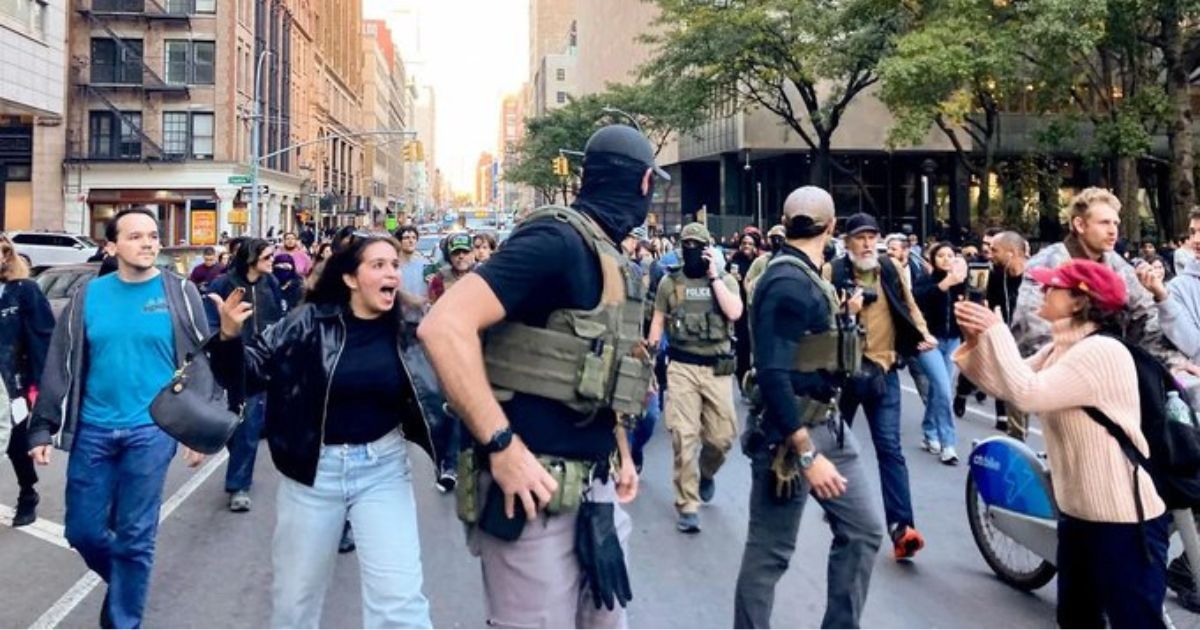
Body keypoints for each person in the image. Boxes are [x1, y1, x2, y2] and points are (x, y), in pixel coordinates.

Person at [418, 124, 654, 628]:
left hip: (595, 489)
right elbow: (443, 326)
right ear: (645, 184)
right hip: (530, 495)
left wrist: (622, 454)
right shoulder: (556, 240)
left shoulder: (610, 258)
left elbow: (601, 368)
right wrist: (501, 446)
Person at [208, 232, 435, 628]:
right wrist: (228, 337)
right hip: (314, 473)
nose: (392, 274)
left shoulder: (413, 325)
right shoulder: (306, 323)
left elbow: (452, 385)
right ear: (350, 278)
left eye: (395, 265)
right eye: (378, 265)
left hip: (383, 469)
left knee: (400, 604)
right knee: (295, 605)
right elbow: (247, 374)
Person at [955, 260, 1169, 629]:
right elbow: (1004, 384)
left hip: (1122, 521)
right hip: (1079, 517)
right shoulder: (1060, 349)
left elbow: (1026, 393)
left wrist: (998, 331)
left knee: (1134, 622)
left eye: (1051, 286)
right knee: (1076, 620)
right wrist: (978, 341)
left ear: (1078, 301)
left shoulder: (1100, 351)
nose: (1041, 290)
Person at [26, 208, 208, 629]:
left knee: (135, 535)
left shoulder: (180, 293)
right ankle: (128, 582)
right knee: (83, 532)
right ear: (111, 246)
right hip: (93, 429)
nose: (148, 243)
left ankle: (123, 621)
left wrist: (196, 433)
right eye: (136, 236)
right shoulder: (88, 297)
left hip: (152, 429)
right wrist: (42, 424)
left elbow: (199, 362)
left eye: (153, 235)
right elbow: (60, 364)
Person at [733, 186, 882, 629]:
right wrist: (804, 452)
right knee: (770, 553)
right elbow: (773, 372)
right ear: (833, 227)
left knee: (863, 532)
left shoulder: (812, 275)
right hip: (789, 435)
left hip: (829, 423)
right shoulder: (786, 281)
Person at [827, 212, 936, 561]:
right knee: (837, 446)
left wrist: (922, 334)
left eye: (872, 236)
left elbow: (909, 305)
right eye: (860, 237)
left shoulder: (890, 268)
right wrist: (848, 308)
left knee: (890, 449)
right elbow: (823, 319)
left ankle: (902, 528)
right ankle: (839, 513)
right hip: (847, 373)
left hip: (885, 370)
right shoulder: (834, 272)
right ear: (847, 242)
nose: (867, 243)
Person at [648, 222, 743, 533]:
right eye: (686, 244)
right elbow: (658, 321)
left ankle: (707, 472)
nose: (690, 251)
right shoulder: (669, 283)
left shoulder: (725, 279)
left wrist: (714, 276)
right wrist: (649, 361)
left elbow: (735, 312)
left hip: (716, 368)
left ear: (708, 249)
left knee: (722, 437)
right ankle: (687, 504)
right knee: (683, 436)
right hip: (681, 367)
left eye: (697, 246)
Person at [1012, 188, 1177, 365]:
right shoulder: (1046, 263)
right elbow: (1032, 329)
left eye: (1116, 223)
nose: (1113, 231)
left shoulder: (1115, 263)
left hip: (1111, 363)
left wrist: (1166, 362)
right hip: (1051, 368)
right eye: (1104, 223)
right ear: (1080, 225)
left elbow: (1146, 312)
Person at [204, 238, 285, 512]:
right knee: (232, 426)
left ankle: (239, 486)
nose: (272, 261)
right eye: (267, 257)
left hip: (262, 364)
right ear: (251, 259)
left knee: (250, 425)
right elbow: (210, 327)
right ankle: (238, 463)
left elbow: (280, 320)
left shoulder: (270, 284)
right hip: (230, 364)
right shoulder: (222, 285)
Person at [0, 233, 53, 526]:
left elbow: (42, 339)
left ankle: (27, 492)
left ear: (6, 255)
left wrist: (41, 386)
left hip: (13, 383)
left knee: (16, 445)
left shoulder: (24, 291)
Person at [912, 242, 967, 464]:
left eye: (950, 255)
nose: (946, 259)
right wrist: (946, 284)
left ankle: (929, 431)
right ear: (932, 259)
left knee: (940, 388)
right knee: (944, 388)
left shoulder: (961, 282)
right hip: (928, 343)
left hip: (953, 340)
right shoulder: (925, 281)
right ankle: (948, 444)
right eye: (941, 255)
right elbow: (919, 300)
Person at [742, 224, 785, 302]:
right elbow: (748, 280)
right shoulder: (762, 260)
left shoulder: (791, 260)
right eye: (774, 238)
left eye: (780, 238)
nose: (777, 241)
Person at [428, 233, 474, 304]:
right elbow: (434, 306)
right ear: (449, 256)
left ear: (472, 254)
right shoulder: (440, 277)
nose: (461, 256)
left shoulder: (484, 275)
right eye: (456, 252)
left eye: (465, 252)